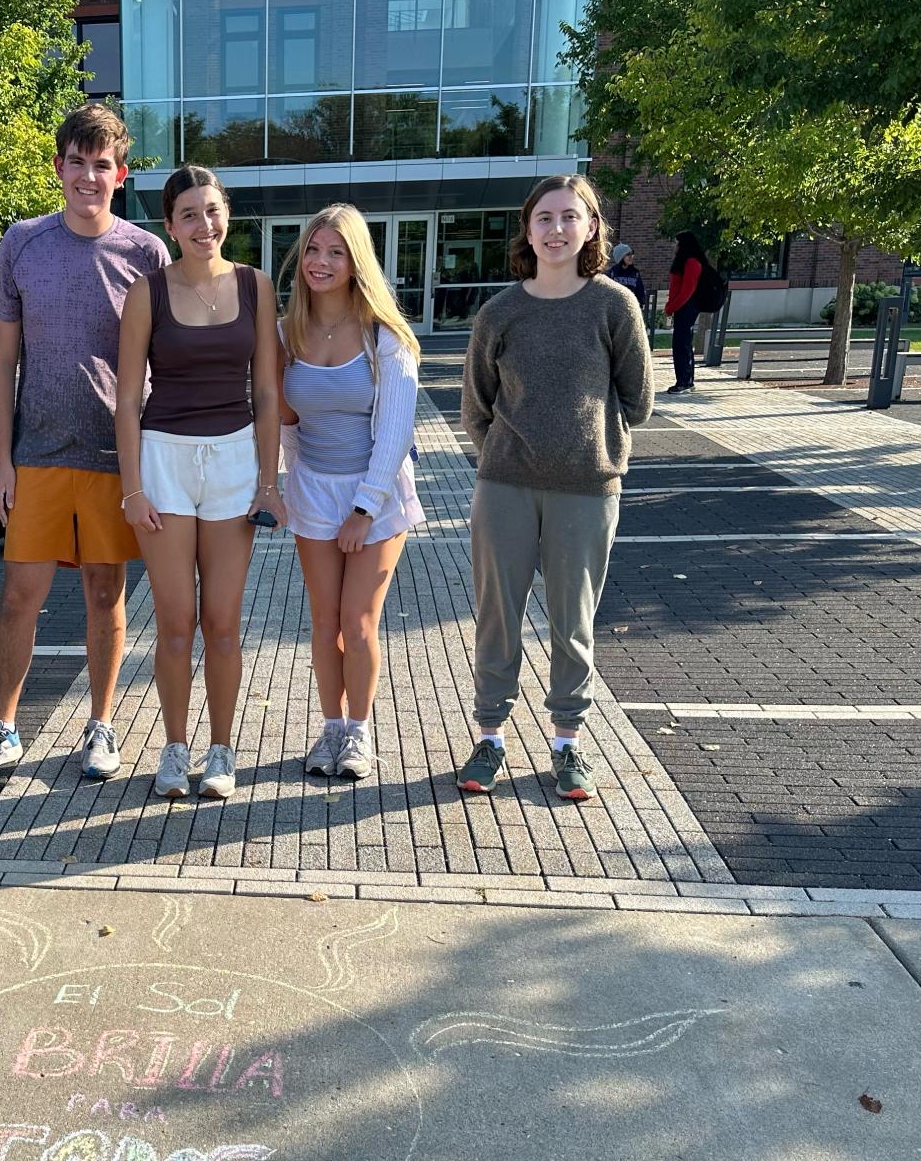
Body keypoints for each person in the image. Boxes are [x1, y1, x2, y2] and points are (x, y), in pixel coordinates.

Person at [0, 103, 171, 783]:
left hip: (115, 459)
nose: (87, 176)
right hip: (38, 456)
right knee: (19, 594)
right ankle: (3, 728)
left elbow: (164, 365)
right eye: (75, 163)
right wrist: (2, 460)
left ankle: (100, 727)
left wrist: (155, 467)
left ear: (119, 173)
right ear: (58, 168)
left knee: (106, 595)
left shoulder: (145, 253)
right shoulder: (22, 242)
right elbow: (3, 361)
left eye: (100, 165)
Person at [457, 173, 652, 802]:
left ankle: (568, 743)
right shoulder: (500, 312)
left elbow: (639, 399)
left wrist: (591, 446)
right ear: (528, 228)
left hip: (588, 488)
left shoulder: (613, 306)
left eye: (571, 216)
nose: (556, 229)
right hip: (505, 487)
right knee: (497, 618)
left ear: (592, 227)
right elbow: (475, 408)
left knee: (573, 621)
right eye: (544, 218)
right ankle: (490, 737)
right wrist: (507, 454)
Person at [114, 165, 281, 800]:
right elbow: (127, 398)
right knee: (176, 620)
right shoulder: (146, 292)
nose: (203, 224)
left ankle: (221, 750)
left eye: (212, 210)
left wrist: (269, 481)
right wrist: (133, 489)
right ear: (170, 225)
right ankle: (174, 748)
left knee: (223, 621)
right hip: (163, 461)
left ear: (226, 214)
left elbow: (265, 392)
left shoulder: (255, 285)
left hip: (236, 460)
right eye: (189, 214)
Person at [275, 202, 422, 782]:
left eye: (336, 251)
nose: (321, 261)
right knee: (323, 621)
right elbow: (287, 425)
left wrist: (364, 507)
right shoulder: (286, 333)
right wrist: (288, 489)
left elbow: (394, 431)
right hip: (313, 493)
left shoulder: (384, 335)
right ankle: (330, 730)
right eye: (313, 249)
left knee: (358, 622)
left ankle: (359, 734)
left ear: (357, 260)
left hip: (377, 499)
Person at [663, 231, 712, 393]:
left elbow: (687, 291)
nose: (675, 246)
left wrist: (672, 307)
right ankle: (685, 380)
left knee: (682, 344)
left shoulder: (692, 263)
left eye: (677, 243)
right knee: (682, 344)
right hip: (682, 307)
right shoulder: (684, 262)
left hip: (687, 307)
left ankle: (684, 381)